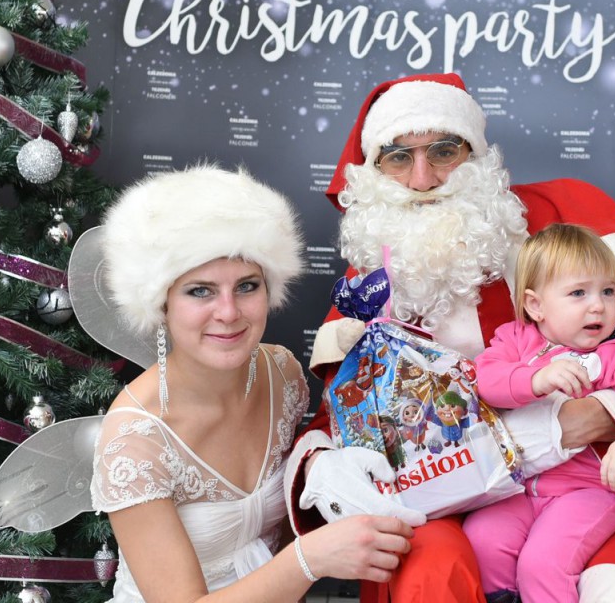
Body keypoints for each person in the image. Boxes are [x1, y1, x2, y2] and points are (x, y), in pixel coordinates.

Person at [283, 74, 615, 603]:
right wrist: (325, 465)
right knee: (432, 578)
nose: (422, 179)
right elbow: (340, 417)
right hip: (435, 506)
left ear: (476, 153)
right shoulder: (368, 284)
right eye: (397, 157)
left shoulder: (562, 227)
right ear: (373, 171)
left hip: (574, 485)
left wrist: (605, 414)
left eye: (444, 151)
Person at [89, 166, 413, 602]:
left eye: (246, 286)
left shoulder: (281, 374)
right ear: (161, 303)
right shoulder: (134, 438)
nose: (228, 312)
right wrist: (309, 560)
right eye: (200, 291)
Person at [463, 223, 615, 603]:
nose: (598, 305)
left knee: (542, 564)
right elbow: (485, 379)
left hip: (586, 492)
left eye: (607, 291)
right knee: (482, 539)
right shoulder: (514, 339)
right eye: (578, 292)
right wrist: (534, 379)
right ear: (535, 306)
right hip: (518, 488)